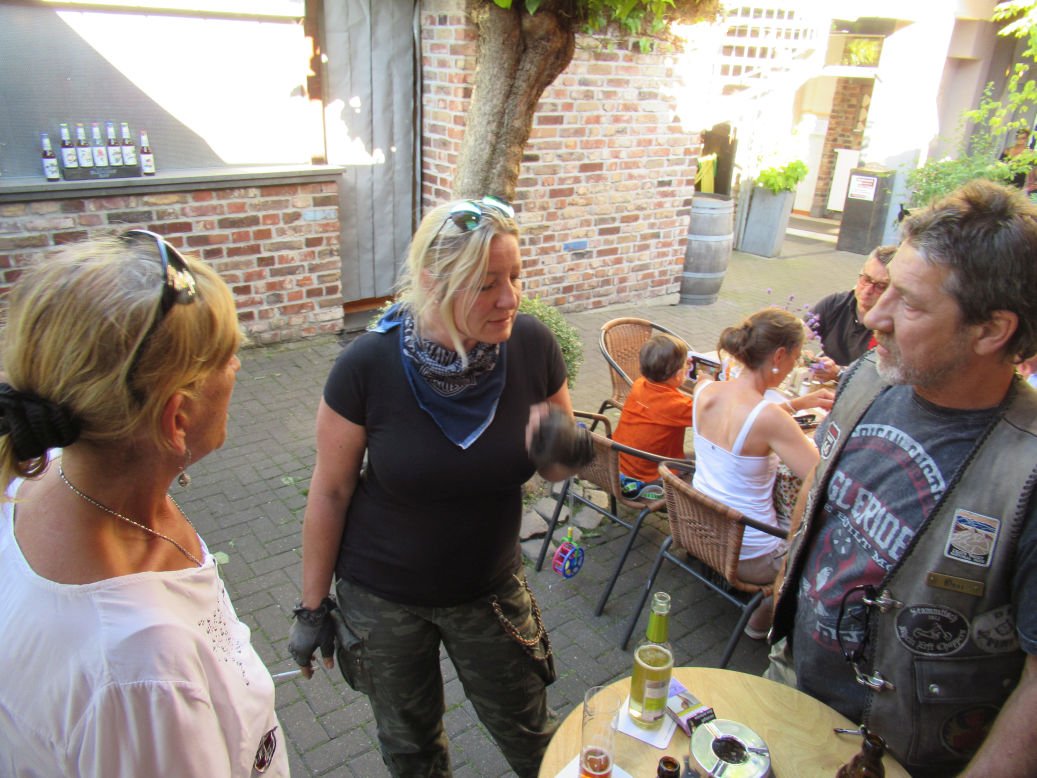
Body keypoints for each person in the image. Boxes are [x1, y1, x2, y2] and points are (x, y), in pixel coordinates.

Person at [288, 196, 593, 777]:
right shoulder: (367, 365)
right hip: (382, 599)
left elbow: (556, 464)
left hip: (488, 589)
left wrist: (566, 452)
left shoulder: (531, 346)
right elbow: (330, 491)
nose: (510, 298)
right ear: (432, 281)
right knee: (412, 750)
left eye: (515, 276)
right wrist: (310, 607)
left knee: (533, 736)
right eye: (486, 284)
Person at [768, 179, 1037, 776]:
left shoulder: (1028, 470)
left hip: (901, 757)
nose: (874, 315)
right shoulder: (868, 377)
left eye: (909, 303)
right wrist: (785, 581)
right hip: (791, 689)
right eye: (883, 287)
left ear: (992, 330)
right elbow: (817, 487)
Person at [0, 232, 287, 775]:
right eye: (227, 356)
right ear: (176, 420)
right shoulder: (144, 670)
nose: (237, 367)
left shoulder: (37, 474)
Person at [691, 307, 834, 639]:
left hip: (698, 528)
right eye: (796, 358)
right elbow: (822, 479)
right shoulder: (770, 418)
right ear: (779, 355)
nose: (794, 367)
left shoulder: (704, 390)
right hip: (750, 555)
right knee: (820, 540)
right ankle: (762, 618)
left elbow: (748, 415)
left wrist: (798, 404)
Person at [613, 333, 693, 500]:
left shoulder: (639, 384)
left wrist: (682, 369)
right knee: (704, 462)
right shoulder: (677, 406)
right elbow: (711, 414)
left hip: (620, 465)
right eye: (686, 364)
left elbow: (663, 402)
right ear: (679, 374)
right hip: (650, 477)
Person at [806, 245, 896, 379]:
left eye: (880, 286)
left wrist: (839, 373)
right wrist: (802, 352)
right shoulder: (834, 304)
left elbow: (876, 377)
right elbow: (800, 333)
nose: (867, 290)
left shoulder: (892, 328)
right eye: (866, 279)